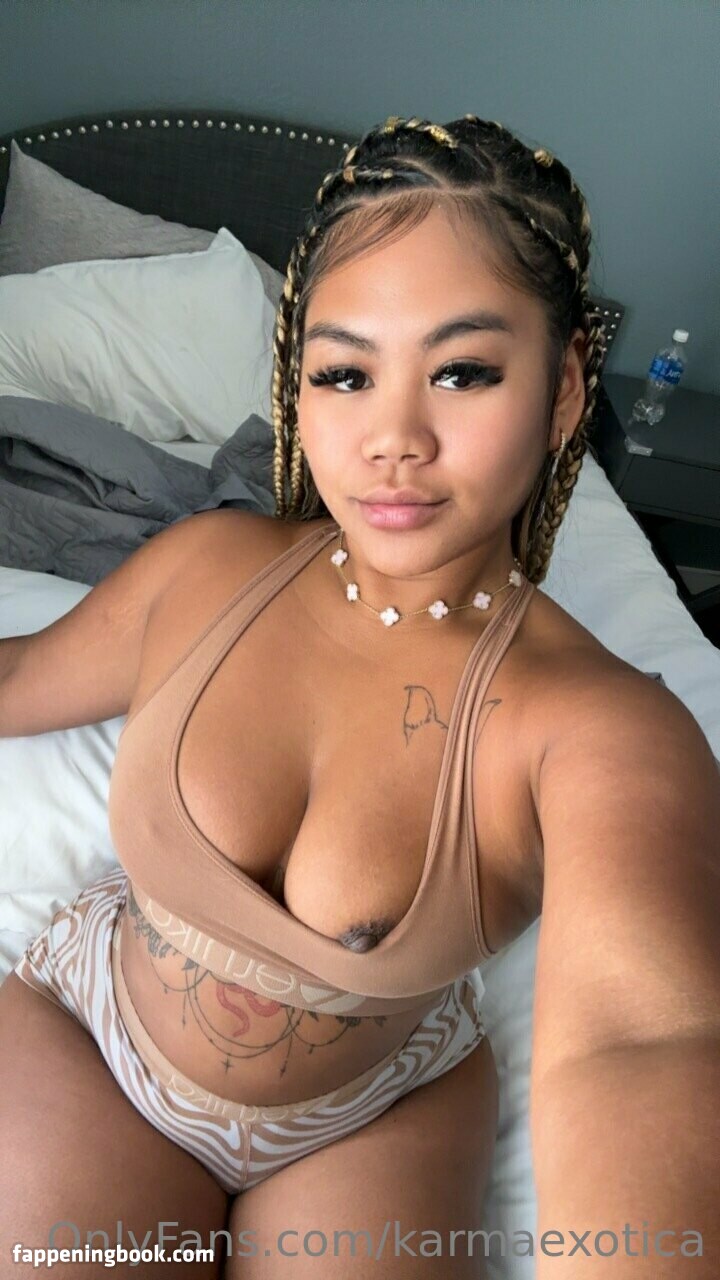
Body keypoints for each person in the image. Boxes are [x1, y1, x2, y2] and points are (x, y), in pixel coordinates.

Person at [1, 114, 718, 1279]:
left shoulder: (600, 726)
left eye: (463, 372)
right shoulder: (206, 568)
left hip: (375, 1113)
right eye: (345, 373)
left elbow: (644, 1041)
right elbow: (18, 676)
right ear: (299, 389)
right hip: (95, 1039)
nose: (394, 437)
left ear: (564, 391)